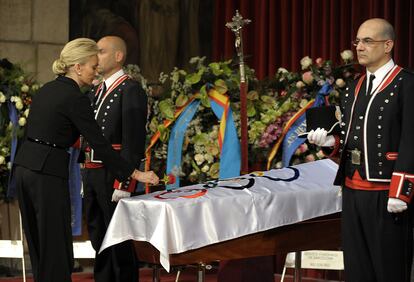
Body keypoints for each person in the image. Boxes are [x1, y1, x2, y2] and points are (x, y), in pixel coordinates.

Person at [13, 38, 159, 282]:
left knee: (39, 243)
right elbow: (99, 143)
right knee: (56, 247)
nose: (96, 70)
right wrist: (134, 174)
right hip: (47, 173)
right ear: (78, 67)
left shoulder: (46, 90)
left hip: (25, 168)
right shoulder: (76, 96)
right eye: (93, 65)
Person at [308, 18, 414, 281]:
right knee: (357, 269)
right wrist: (331, 144)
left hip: (387, 193)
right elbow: (350, 136)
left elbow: (411, 140)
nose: (360, 47)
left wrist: (401, 191)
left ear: (388, 45)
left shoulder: (407, 83)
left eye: (368, 41)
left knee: (389, 270)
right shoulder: (354, 87)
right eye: (357, 41)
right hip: (353, 191)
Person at [80, 36, 147, 282]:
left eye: (101, 51)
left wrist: (124, 183)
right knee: (98, 236)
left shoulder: (130, 89)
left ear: (118, 56)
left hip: (113, 174)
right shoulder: (97, 90)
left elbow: (134, 141)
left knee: (118, 238)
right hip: (93, 172)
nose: (95, 57)